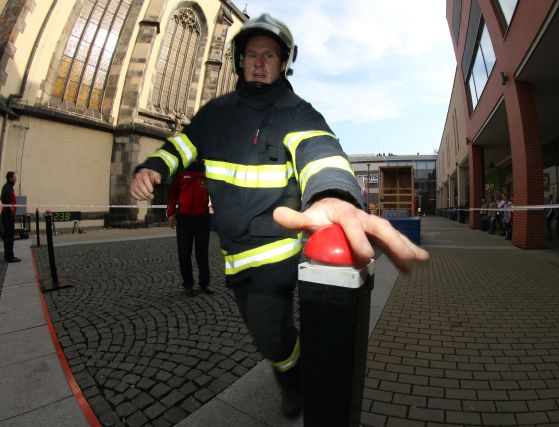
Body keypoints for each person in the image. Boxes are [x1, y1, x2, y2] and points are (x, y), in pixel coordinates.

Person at [129, 14, 428, 418]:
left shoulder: (296, 112)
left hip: (275, 252)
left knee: (270, 333)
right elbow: (182, 145)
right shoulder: (215, 114)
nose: (259, 62)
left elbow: (319, 150)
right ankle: (292, 363)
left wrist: (335, 194)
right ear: (238, 59)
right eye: (251, 54)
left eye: (269, 55)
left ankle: (295, 379)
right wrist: (153, 167)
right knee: (265, 331)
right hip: (235, 255)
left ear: (284, 63)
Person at [166, 160, 212, 297]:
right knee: (184, 254)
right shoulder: (181, 171)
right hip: (184, 219)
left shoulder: (207, 171)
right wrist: (170, 214)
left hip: (202, 218)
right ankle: (188, 285)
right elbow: (173, 194)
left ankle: (204, 284)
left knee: (202, 254)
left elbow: (215, 194)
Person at [1, 171, 20, 263]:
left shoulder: (9, 187)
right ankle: (9, 257)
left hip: (9, 215)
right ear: (10, 178)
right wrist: (10, 207)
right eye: (14, 177)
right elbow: (3, 197)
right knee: (9, 236)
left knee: (9, 236)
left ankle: (9, 255)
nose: (15, 178)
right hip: (7, 215)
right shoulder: (7, 187)